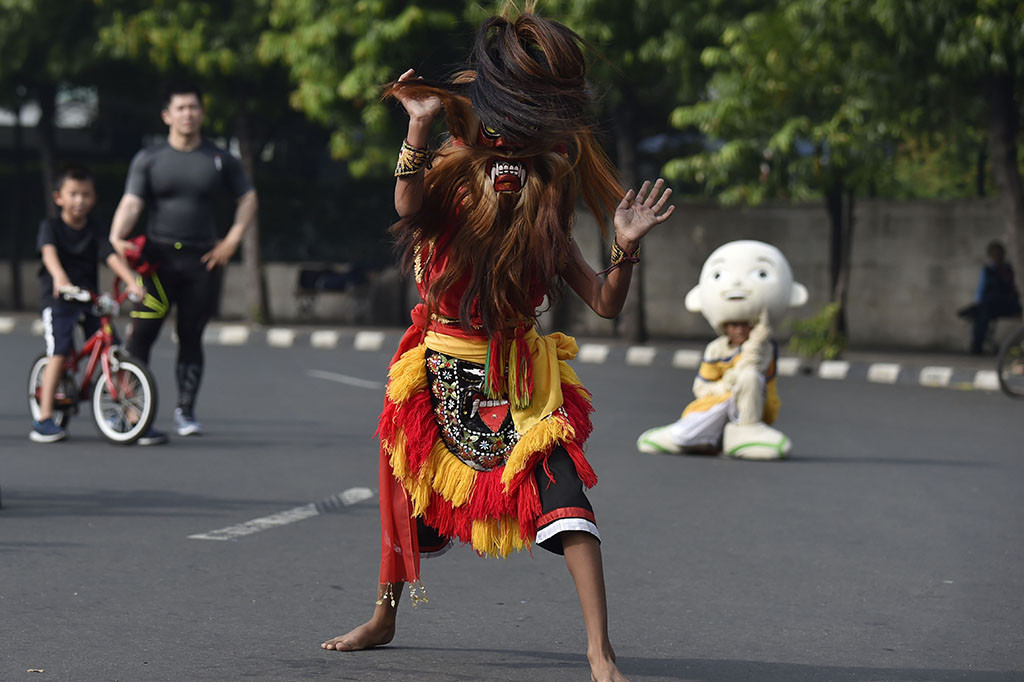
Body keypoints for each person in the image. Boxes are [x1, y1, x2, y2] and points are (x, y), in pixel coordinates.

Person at [319, 9, 673, 682]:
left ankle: (602, 654)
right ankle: (384, 617)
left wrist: (624, 252)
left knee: (567, 495)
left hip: (521, 383)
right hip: (438, 375)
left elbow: (602, 302)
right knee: (405, 496)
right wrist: (420, 125)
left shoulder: (546, 213)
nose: (505, 175)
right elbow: (404, 205)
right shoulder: (448, 181)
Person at [109, 81, 258, 442]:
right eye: (180, 108)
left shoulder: (220, 158)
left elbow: (249, 198)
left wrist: (231, 241)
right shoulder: (149, 159)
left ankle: (186, 411)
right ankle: (131, 409)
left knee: (191, 336)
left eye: (193, 108)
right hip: (157, 262)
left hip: (202, 261)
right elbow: (132, 202)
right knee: (141, 335)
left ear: (201, 113)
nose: (188, 114)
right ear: (167, 115)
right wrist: (116, 235)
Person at [636, 240, 808, 460]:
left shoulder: (762, 345)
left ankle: (747, 429)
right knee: (690, 428)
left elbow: (750, 364)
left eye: (744, 325)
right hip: (717, 403)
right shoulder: (716, 349)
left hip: (754, 406)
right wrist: (725, 387)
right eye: (733, 325)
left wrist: (761, 333)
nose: (739, 330)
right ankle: (698, 438)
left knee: (748, 377)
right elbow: (701, 387)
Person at [32, 164, 145, 443]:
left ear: (93, 199)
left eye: (85, 195)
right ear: (59, 197)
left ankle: (135, 419)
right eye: (73, 194)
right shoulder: (51, 227)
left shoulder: (95, 230)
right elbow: (49, 254)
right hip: (58, 298)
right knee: (59, 350)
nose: (79, 200)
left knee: (113, 346)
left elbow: (111, 257)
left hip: (89, 298)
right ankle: (44, 418)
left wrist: (132, 281)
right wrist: (60, 279)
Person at [959, 240, 1022, 354]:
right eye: (994, 254)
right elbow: (981, 290)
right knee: (981, 313)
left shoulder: (1009, 269)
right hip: (990, 305)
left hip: (1007, 305)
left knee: (982, 313)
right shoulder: (988, 270)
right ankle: (977, 345)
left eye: (998, 253)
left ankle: (976, 345)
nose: (996, 256)